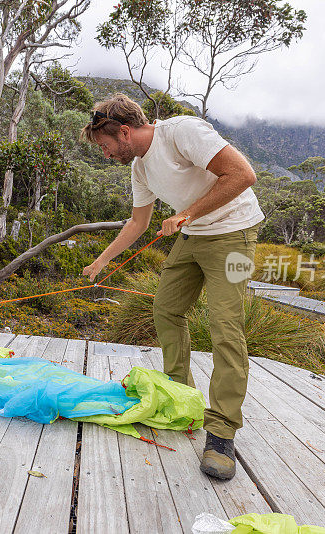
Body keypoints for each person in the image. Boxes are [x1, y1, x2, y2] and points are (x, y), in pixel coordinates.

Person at [80, 93, 264, 480]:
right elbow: (137, 224)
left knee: (225, 326)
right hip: (193, 234)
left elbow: (243, 175)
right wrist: (102, 260)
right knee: (166, 308)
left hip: (236, 234)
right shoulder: (141, 169)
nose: (105, 153)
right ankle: (182, 397)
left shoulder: (182, 132)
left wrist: (186, 213)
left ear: (124, 132)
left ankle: (222, 433)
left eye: (105, 145)